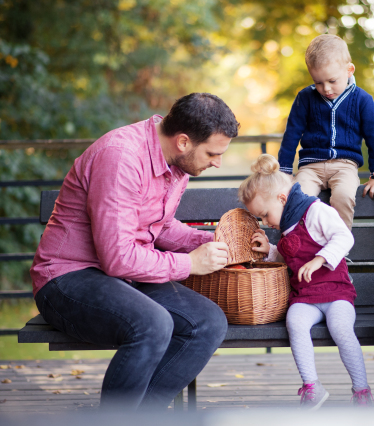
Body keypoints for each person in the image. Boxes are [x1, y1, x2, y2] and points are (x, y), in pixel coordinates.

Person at [30, 93, 239, 410]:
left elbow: (162, 226)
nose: (217, 162)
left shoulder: (175, 163)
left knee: (208, 322)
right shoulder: (121, 158)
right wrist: (189, 264)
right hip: (67, 279)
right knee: (153, 324)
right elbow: (118, 258)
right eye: (212, 153)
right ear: (183, 141)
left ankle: (144, 416)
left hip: (126, 276)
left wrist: (211, 243)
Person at [239, 154, 373, 409]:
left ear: (281, 199)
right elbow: (291, 256)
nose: (266, 222)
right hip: (306, 296)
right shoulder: (287, 224)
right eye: (262, 219)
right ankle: (312, 386)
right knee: (295, 322)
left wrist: (320, 259)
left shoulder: (315, 211)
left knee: (341, 329)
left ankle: (361, 389)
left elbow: (344, 238)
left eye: (266, 215)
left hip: (336, 292)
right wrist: (269, 250)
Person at [277, 34, 374, 230]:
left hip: (344, 166)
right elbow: (291, 135)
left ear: (349, 70)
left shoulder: (362, 100)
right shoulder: (305, 98)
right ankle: (306, 247)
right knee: (301, 199)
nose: (326, 88)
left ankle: (338, 248)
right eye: (318, 82)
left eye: (332, 80)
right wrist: (284, 171)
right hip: (311, 167)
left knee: (343, 196)